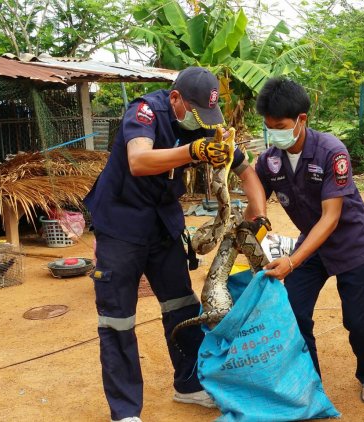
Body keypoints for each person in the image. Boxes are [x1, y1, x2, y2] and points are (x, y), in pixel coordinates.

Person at [84, 66, 267, 422]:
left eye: (207, 116)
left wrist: (257, 219)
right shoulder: (144, 112)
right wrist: (193, 151)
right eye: (196, 113)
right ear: (175, 99)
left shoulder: (203, 123)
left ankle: (189, 386)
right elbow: (138, 160)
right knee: (117, 318)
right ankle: (125, 412)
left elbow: (246, 172)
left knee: (181, 306)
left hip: (163, 224)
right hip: (121, 223)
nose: (202, 122)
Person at [255, 77, 364, 404]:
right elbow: (255, 210)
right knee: (295, 313)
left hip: (351, 246)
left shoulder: (331, 151)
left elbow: (331, 217)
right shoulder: (269, 160)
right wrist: (244, 240)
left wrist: (292, 261)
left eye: (281, 125)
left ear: (302, 119)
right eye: (269, 127)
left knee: (360, 320)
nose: (275, 133)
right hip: (311, 247)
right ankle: (310, 381)